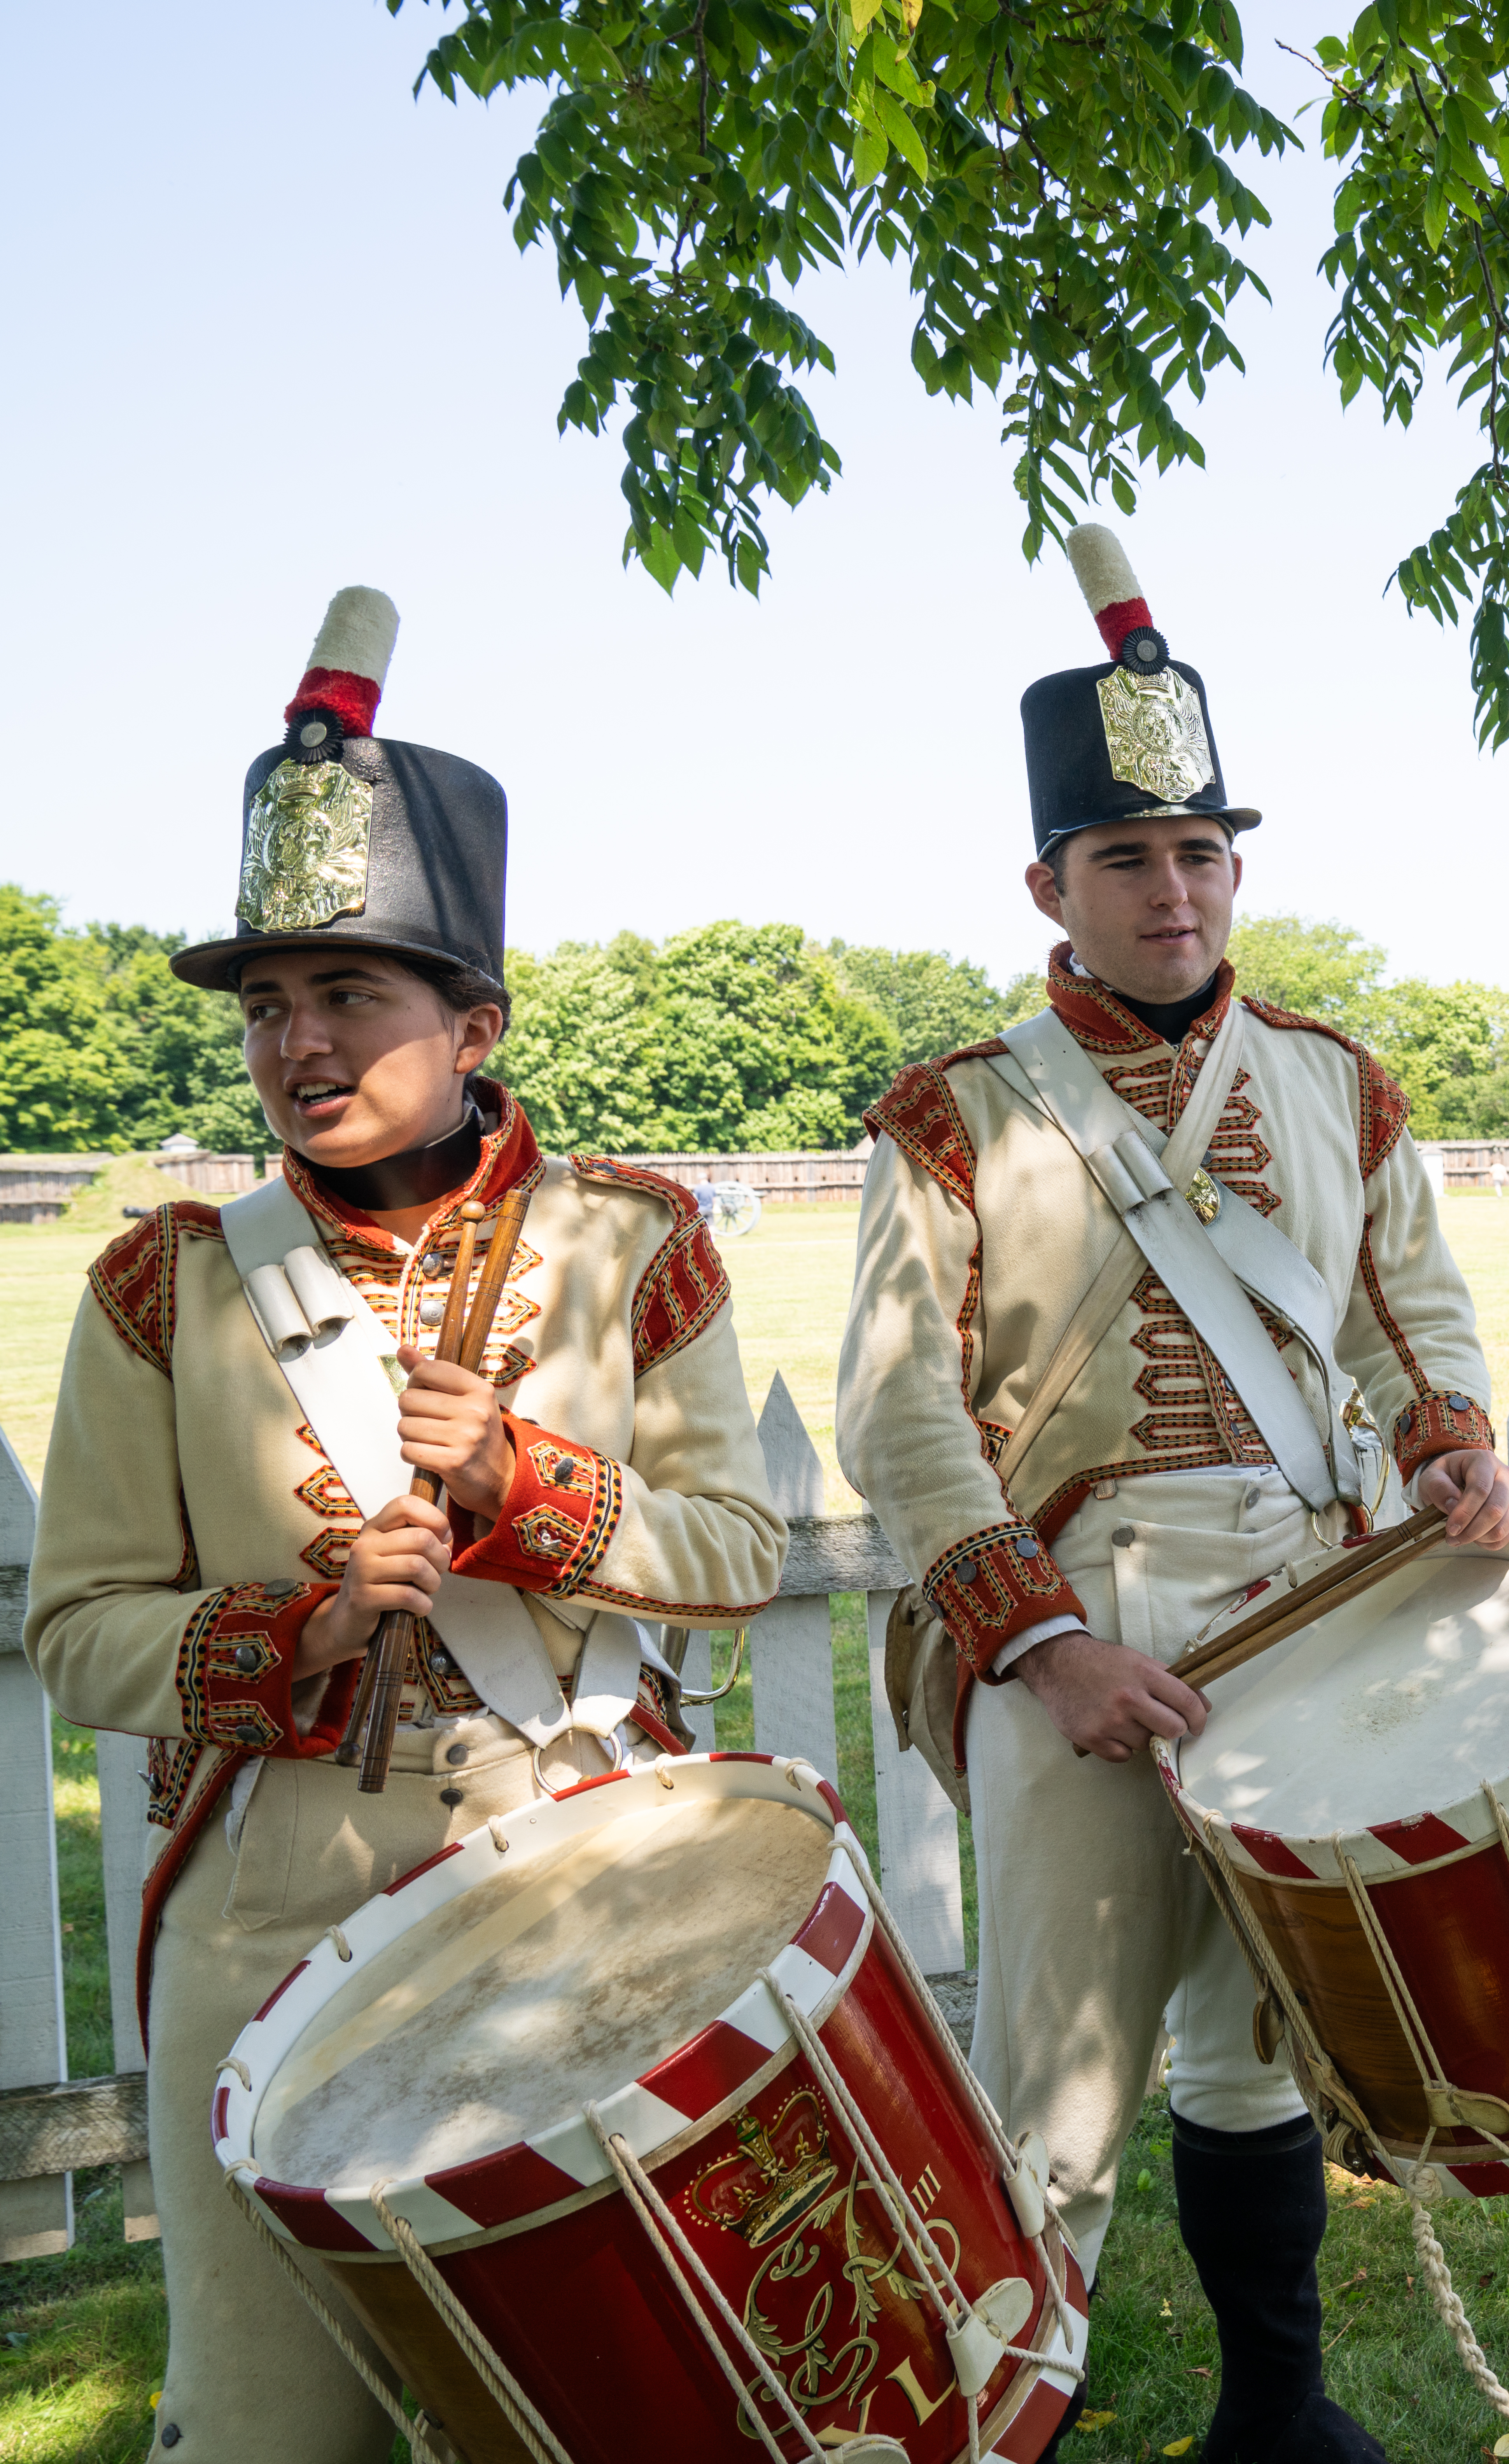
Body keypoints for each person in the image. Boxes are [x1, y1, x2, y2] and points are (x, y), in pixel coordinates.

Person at [28, 589, 784, 2464]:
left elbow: (743, 1551)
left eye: (347, 992)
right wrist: (304, 1628)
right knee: (281, 2427)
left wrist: (532, 1491)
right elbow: (81, 1629)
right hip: (272, 1907)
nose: (295, 1040)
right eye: (270, 1003)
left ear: (474, 1020)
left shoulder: (635, 1241)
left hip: (588, 1878)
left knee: (608, 2402)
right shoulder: (164, 1280)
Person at [837, 526, 1509, 2464]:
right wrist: (1039, 1647)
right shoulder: (955, 1109)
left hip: (1302, 1609)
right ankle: (1001, 2435)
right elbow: (903, 1410)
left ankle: (1276, 2414)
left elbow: (1410, 1316)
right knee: (1047, 2090)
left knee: (1248, 2044)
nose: (1172, 887)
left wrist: (1449, 1438)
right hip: (1083, 1626)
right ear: (1049, 883)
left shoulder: (1337, 1084)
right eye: (1127, 857)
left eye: (1203, 850)